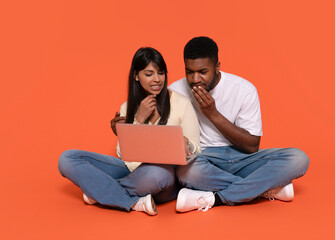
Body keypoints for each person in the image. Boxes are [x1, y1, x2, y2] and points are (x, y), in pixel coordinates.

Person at [168, 36, 310, 212]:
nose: (195, 79)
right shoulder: (175, 91)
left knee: (298, 158)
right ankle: (264, 189)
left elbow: (252, 146)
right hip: (204, 158)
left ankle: (215, 198)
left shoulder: (243, 89)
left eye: (203, 72)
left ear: (218, 67)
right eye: (189, 72)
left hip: (242, 158)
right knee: (186, 172)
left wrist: (213, 114)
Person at [58, 47, 200, 216]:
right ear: (136, 76)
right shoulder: (127, 107)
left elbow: (196, 151)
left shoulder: (181, 104)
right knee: (67, 158)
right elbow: (123, 154)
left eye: (161, 73)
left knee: (157, 173)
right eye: (149, 74)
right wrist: (138, 120)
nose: (157, 79)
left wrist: (185, 143)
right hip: (130, 170)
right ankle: (133, 202)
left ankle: (100, 190)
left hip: (164, 176)